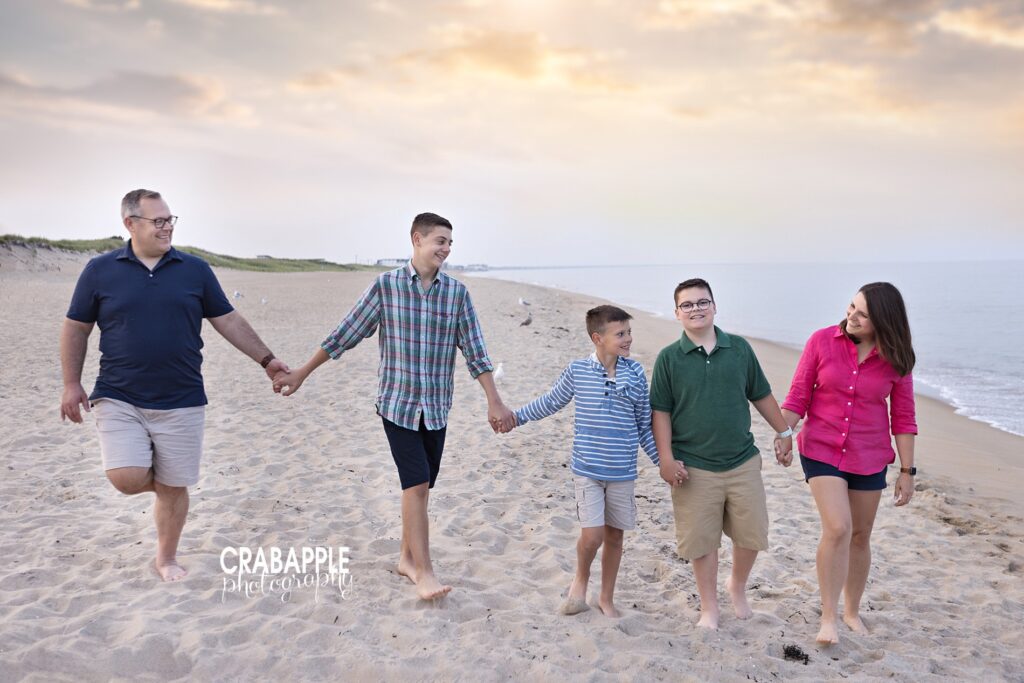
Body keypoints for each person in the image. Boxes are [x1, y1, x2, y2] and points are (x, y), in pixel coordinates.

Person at [271, 212, 514, 600]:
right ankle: (424, 571)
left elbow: (476, 351)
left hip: (436, 406)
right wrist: (302, 372)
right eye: (440, 241)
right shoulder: (386, 287)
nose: (446, 249)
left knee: (420, 487)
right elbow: (345, 334)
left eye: (450, 243)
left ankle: (405, 557)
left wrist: (494, 401)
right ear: (417, 239)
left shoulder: (457, 294)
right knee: (415, 482)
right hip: (397, 404)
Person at [60, 189, 288, 582]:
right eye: (158, 221)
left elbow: (228, 320)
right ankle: (167, 486)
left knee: (173, 485)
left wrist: (267, 360)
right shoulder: (100, 270)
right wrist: (70, 384)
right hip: (119, 394)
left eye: (170, 220)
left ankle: (165, 558)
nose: (167, 227)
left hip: (182, 397)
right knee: (126, 477)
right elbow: (76, 328)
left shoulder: (194, 270)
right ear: (130, 224)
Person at [507, 305, 674, 618]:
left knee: (614, 536)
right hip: (587, 470)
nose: (628, 339)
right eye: (620, 334)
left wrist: (663, 462)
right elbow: (551, 402)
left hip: (623, 472)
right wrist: (515, 418)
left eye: (629, 332)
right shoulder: (578, 371)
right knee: (593, 535)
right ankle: (580, 579)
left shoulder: (635, 373)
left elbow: (643, 425)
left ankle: (606, 597)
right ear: (598, 338)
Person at [650, 278, 793, 630]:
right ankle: (709, 607)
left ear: (715, 307)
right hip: (693, 465)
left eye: (702, 302)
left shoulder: (740, 349)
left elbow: (760, 394)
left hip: (742, 459)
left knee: (752, 533)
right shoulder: (669, 358)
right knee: (702, 541)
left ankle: (737, 585)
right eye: (687, 305)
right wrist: (665, 459)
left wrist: (784, 431)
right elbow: (661, 413)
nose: (696, 309)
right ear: (677, 313)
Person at [780, 282, 917, 645]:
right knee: (839, 527)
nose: (851, 317)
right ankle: (828, 618)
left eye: (862, 314)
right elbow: (798, 394)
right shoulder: (822, 341)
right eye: (851, 307)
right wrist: (783, 433)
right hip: (821, 447)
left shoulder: (898, 359)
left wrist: (907, 471)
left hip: (869, 455)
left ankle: (851, 611)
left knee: (860, 535)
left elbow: (903, 418)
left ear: (883, 322)